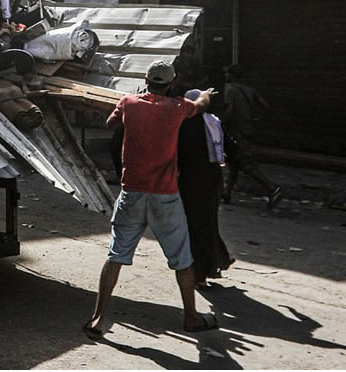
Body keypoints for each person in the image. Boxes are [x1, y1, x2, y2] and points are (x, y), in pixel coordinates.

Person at [83, 61, 218, 339]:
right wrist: (205, 93)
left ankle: (98, 319)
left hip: (131, 191)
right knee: (182, 259)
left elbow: (110, 122)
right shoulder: (178, 108)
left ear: (146, 79)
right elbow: (201, 104)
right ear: (171, 83)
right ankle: (191, 317)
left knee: (115, 256)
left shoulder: (129, 103)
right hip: (164, 195)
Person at [178, 88, 235, 288]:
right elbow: (231, 148)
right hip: (212, 179)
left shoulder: (184, 124)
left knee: (195, 226)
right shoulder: (214, 123)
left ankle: (202, 271)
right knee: (207, 221)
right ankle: (219, 258)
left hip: (190, 181)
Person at [221, 64, 283, 208]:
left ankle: (273, 188)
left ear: (232, 75)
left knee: (245, 163)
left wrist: (220, 122)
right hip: (248, 129)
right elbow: (265, 106)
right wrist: (256, 119)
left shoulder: (232, 91)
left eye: (227, 73)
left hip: (237, 131)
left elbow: (230, 111)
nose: (225, 76)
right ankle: (227, 192)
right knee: (234, 163)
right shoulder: (250, 90)